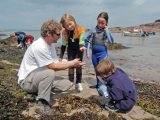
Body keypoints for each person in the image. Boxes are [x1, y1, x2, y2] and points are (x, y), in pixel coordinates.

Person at [17, 19, 85, 115]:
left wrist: (73, 62)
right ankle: (42, 103)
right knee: (50, 73)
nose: (60, 36)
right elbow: (52, 66)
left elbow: (56, 62)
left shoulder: (50, 45)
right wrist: (71, 64)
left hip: (38, 77)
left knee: (68, 85)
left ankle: (36, 93)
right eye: (58, 34)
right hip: (26, 82)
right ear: (49, 33)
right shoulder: (40, 46)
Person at [85, 12, 114, 89]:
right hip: (94, 54)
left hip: (103, 54)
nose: (100, 25)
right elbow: (87, 40)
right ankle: (98, 85)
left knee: (103, 70)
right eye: (99, 22)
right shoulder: (93, 30)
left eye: (103, 23)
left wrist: (107, 30)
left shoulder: (107, 31)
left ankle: (104, 85)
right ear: (97, 21)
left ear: (106, 23)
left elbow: (111, 41)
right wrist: (87, 52)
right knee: (96, 69)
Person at [59, 13, 86, 92]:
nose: (69, 27)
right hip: (70, 50)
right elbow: (63, 45)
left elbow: (81, 41)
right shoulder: (64, 32)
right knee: (70, 66)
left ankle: (78, 82)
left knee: (78, 66)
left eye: (70, 24)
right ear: (64, 26)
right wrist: (61, 56)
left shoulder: (80, 29)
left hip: (79, 50)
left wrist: (82, 47)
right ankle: (70, 82)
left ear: (73, 21)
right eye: (67, 26)